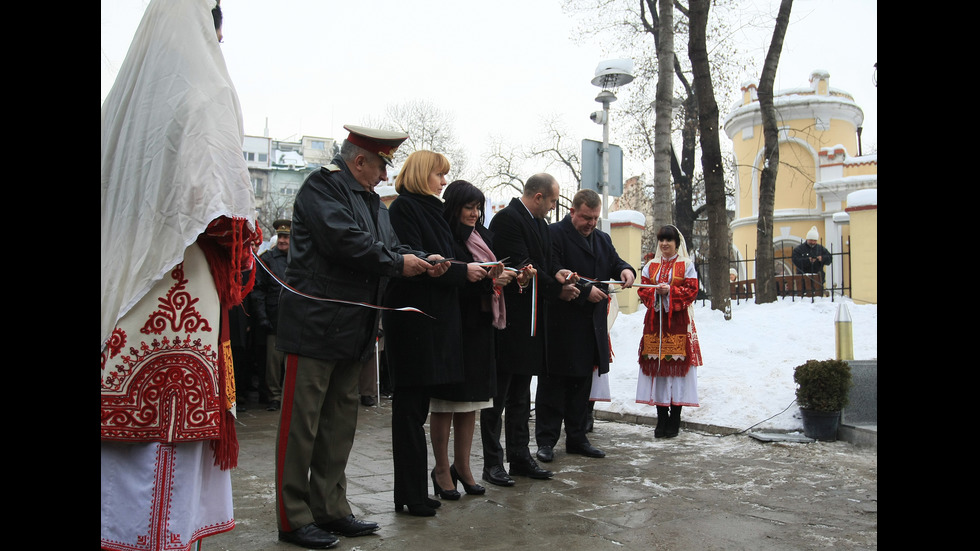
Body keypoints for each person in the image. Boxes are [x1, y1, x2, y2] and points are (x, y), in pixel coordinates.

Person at [101, 1, 258, 550]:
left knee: (122, 456)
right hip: (179, 288)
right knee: (168, 447)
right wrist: (245, 239)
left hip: (120, 293)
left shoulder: (122, 99)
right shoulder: (207, 92)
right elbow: (218, 212)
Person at [274, 125, 445, 548]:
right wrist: (401, 262)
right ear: (360, 161)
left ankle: (330, 508)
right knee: (302, 427)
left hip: (352, 328)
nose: (385, 175)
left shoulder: (370, 200)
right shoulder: (322, 188)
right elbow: (346, 243)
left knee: (337, 427)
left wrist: (424, 259)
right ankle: (293, 518)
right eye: (382, 165)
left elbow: (389, 244)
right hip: (314, 326)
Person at [383, 151, 473, 516]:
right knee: (409, 410)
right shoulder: (405, 208)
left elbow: (446, 257)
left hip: (431, 320)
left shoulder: (431, 209)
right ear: (423, 174)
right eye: (439, 174)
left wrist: (475, 270)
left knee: (415, 409)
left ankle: (413, 492)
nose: (444, 181)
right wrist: (461, 272)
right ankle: (410, 493)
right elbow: (418, 260)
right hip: (414, 321)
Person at [481, 173, 574, 486]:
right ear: (538, 197)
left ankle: (519, 454)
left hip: (532, 324)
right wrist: (556, 288)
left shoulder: (541, 225)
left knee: (521, 395)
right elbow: (522, 266)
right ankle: (492, 462)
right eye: (551, 201)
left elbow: (541, 267)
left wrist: (557, 275)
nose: (552, 208)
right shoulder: (508, 220)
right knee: (499, 395)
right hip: (510, 322)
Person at [428, 180, 519, 499]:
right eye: (469, 207)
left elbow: (485, 272)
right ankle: (441, 469)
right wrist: (488, 278)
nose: (475, 213)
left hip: (480, 326)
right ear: (454, 206)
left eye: (478, 208)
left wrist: (506, 276)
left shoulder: (483, 235)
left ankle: (462, 467)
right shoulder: (445, 234)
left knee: (471, 403)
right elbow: (452, 278)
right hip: (455, 326)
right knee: (446, 402)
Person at [536, 189, 635, 463]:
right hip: (561, 323)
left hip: (591, 325)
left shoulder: (602, 239)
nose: (591, 223)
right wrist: (584, 289)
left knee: (582, 385)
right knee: (554, 385)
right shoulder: (554, 234)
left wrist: (627, 271)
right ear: (573, 213)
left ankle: (578, 438)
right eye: (585, 217)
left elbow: (615, 263)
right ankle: (546, 441)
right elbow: (553, 268)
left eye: (594, 218)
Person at [636, 225, 703, 438]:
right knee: (658, 368)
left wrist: (671, 291)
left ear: (677, 243)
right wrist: (656, 292)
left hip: (678, 322)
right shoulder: (651, 266)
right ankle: (661, 418)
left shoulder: (687, 265)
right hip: (655, 324)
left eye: (669, 240)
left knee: (677, 371)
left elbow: (692, 290)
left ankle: (675, 418)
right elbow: (643, 289)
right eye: (661, 240)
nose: (664, 244)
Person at [253, 219, 290, 411]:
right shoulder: (267, 259)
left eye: (287, 237)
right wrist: (263, 317)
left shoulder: (298, 258)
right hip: (274, 318)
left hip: (294, 319)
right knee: (273, 364)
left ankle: (288, 396)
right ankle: (274, 396)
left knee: (291, 363)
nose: (283, 240)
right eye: (281, 236)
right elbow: (258, 290)